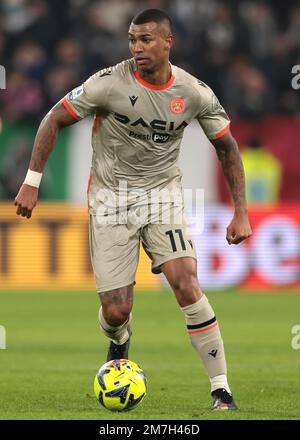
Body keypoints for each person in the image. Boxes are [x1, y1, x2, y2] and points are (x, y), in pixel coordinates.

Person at [14, 9, 252, 411]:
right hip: (111, 199)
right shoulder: (108, 84)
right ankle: (120, 338)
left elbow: (227, 147)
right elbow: (53, 118)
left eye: (145, 40)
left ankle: (221, 388)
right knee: (116, 309)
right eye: (131, 40)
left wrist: (240, 211)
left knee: (187, 283)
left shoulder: (193, 92)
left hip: (163, 197)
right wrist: (31, 181)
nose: (136, 48)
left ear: (167, 42)